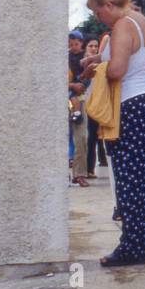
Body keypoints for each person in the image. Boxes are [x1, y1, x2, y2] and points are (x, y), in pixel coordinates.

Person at [80, 0, 145, 266]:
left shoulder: (120, 26)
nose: (98, 18)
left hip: (131, 106)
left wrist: (95, 69)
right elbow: (136, 58)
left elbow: (118, 69)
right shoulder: (139, 20)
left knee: (131, 179)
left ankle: (131, 247)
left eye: (97, 12)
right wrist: (98, 58)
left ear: (108, 5)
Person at [68, 30, 90, 187]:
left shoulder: (85, 58)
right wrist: (71, 85)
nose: (73, 47)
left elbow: (88, 77)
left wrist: (81, 84)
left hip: (80, 98)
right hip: (67, 96)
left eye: (76, 44)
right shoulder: (64, 56)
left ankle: (79, 173)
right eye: (71, 44)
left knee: (81, 138)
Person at [84, 37, 109, 177]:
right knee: (91, 137)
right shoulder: (82, 63)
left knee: (99, 135)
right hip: (86, 103)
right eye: (90, 46)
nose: (93, 48)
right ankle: (89, 168)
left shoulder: (101, 64)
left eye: (96, 46)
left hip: (99, 103)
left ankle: (101, 161)